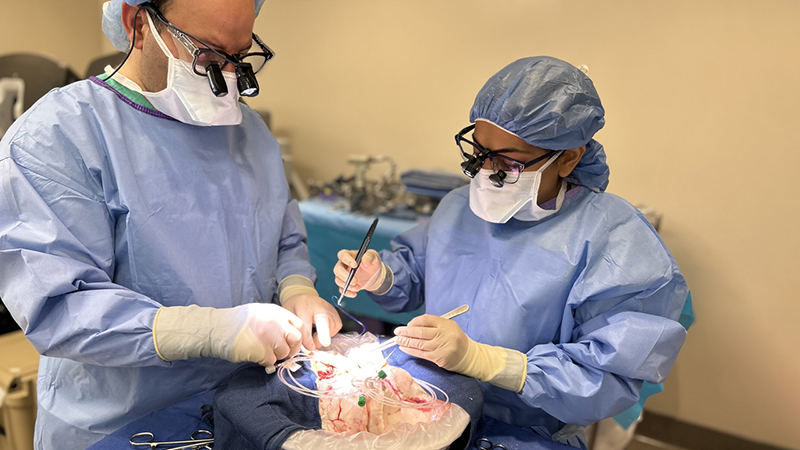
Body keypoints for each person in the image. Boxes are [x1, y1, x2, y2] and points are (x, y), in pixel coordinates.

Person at [0, 0, 342, 448]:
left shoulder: (250, 133)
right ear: (138, 24)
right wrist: (209, 331)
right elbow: (59, 306)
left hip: (245, 407)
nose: (229, 76)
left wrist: (298, 287)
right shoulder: (57, 136)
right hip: (122, 425)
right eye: (208, 55)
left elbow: (282, 234)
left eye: (240, 57)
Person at [334, 56, 688, 448]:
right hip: (432, 409)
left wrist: (486, 361)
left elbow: (610, 374)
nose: (486, 171)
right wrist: (381, 276)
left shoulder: (611, 236)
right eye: (479, 153)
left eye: (506, 161)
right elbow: (419, 272)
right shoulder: (458, 207)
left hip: (527, 433)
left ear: (569, 156)